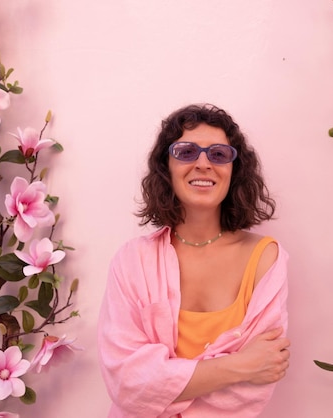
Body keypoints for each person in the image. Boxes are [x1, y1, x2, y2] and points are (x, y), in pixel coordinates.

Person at [97, 103, 290, 418]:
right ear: (166, 167)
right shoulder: (132, 260)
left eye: (218, 154)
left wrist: (162, 383)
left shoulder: (266, 258)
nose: (203, 163)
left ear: (234, 170)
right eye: (186, 152)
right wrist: (240, 365)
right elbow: (126, 383)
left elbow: (256, 386)